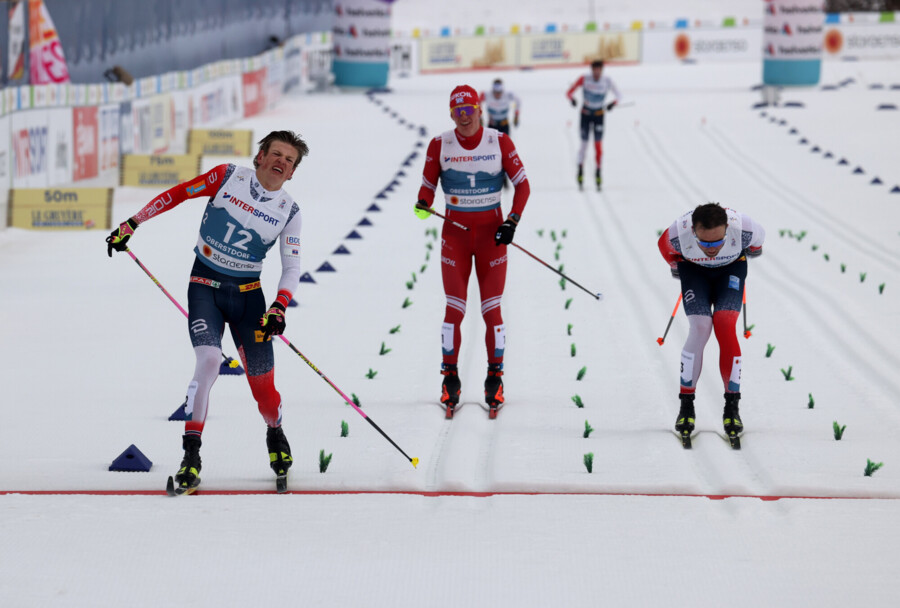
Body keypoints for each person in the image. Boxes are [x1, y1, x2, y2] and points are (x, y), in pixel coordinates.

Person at [106, 131, 309, 493]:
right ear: (260, 156)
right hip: (205, 286)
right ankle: (191, 456)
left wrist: (279, 306)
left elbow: (291, 267)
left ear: (292, 173)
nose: (281, 162)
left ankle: (275, 432)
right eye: (276, 154)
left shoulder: (289, 212)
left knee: (264, 392)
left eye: (289, 160)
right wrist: (133, 222)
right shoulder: (227, 176)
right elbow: (178, 194)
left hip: (250, 301)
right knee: (210, 360)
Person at [415, 85, 531, 416]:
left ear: (480, 110)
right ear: (451, 114)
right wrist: (423, 204)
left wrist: (512, 221)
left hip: (492, 238)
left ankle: (495, 378)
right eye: (458, 112)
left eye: (469, 110)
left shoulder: (499, 141)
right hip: (455, 238)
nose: (464, 118)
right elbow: (426, 190)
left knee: (491, 310)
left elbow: (522, 185)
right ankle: (449, 377)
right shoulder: (440, 144)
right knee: (455, 309)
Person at [657, 203, 765, 440]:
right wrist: (677, 267)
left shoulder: (745, 227)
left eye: (718, 241)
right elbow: (664, 250)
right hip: (694, 272)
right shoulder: (676, 234)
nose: (711, 249)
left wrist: (750, 252)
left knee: (725, 325)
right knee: (701, 327)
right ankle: (686, 406)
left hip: (732, 269)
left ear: (728, 227)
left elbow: (757, 244)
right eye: (704, 243)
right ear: (692, 231)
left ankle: (732, 407)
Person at [566, 59, 621, 191]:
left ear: (602, 70)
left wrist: (612, 104)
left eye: (599, 70)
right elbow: (568, 92)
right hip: (585, 115)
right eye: (594, 70)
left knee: (598, 146)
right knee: (584, 145)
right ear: (592, 70)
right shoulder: (584, 79)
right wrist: (572, 100)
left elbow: (619, 96)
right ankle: (580, 171)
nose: (596, 73)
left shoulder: (607, 81)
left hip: (599, 116)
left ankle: (598, 172)